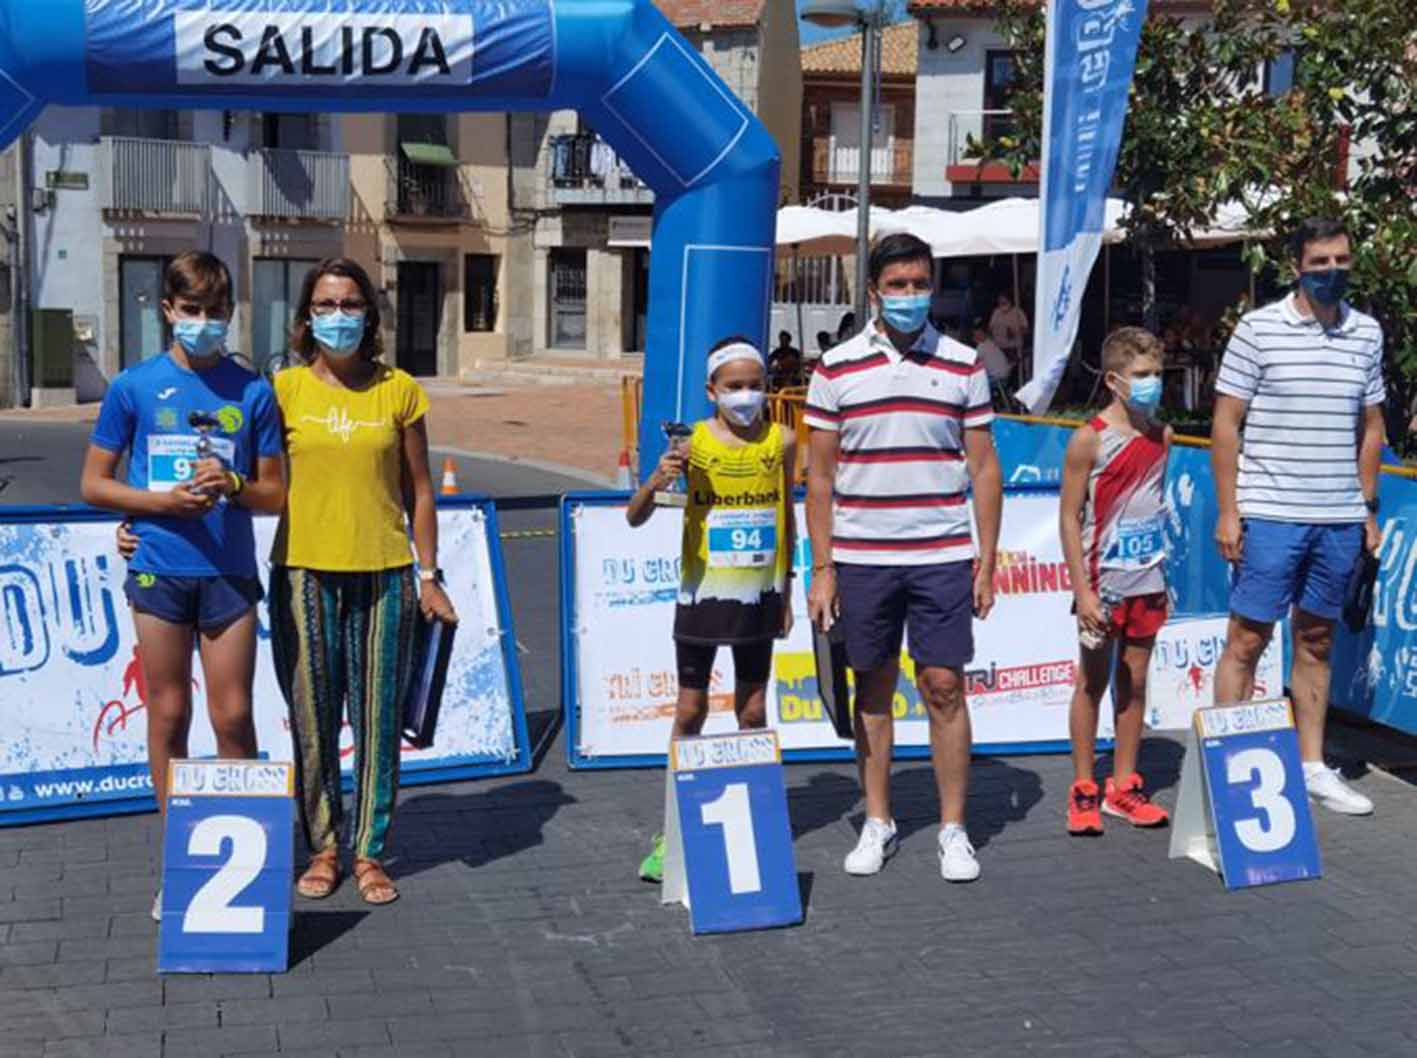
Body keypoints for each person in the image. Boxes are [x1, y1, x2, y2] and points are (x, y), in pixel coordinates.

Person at [80, 251, 286, 921]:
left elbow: (276, 494)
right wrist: (156, 506)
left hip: (227, 575)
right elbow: (94, 483)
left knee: (233, 717)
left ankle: (247, 866)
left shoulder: (253, 391)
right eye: (191, 310)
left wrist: (232, 486)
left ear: (230, 314)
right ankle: (187, 863)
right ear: (166, 309)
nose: (204, 323)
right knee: (169, 715)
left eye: (215, 312)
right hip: (159, 569)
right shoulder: (133, 387)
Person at [804, 233, 1003, 883]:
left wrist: (987, 557)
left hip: (942, 553)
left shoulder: (962, 363)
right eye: (898, 285)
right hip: (861, 559)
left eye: (920, 283)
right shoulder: (834, 367)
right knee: (873, 690)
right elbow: (821, 478)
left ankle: (952, 829)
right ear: (872, 291)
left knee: (944, 686)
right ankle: (878, 821)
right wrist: (823, 567)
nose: (910, 295)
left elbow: (981, 467)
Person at [269, 258, 458, 904]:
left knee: (377, 717)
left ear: (370, 316)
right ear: (305, 317)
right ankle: (323, 845)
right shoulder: (283, 390)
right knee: (313, 719)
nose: (338, 316)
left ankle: (370, 851)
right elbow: (242, 475)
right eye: (325, 304)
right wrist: (147, 521)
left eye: (350, 304)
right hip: (301, 572)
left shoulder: (399, 389)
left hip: (384, 573)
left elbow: (421, 490)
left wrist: (428, 574)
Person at [1211, 217, 1385, 816]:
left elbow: (1372, 428)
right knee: (1248, 639)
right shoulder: (1258, 330)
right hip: (1270, 514)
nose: (1332, 272)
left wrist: (1366, 506)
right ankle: (1228, 767)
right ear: (1296, 267)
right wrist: (1229, 511)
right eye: (1320, 262)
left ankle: (1312, 765)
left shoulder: (1367, 333)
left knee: (1316, 639)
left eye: (1341, 260)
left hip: (1337, 517)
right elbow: (1226, 424)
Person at [628, 337, 796, 883]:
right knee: (690, 710)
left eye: (756, 385)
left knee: (752, 712)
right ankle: (673, 827)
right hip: (701, 598)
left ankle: (757, 819)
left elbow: (787, 518)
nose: (747, 396)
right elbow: (635, 517)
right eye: (734, 386)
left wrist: (788, 592)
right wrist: (657, 479)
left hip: (758, 598)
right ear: (711, 390)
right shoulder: (691, 442)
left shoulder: (784, 440)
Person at [1058, 327, 1172, 836]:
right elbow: (1068, 516)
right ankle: (1084, 785)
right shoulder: (1089, 438)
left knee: (1136, 680)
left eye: (1157, 374)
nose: (1152, 384)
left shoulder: (1162, 436)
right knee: (1092, 681)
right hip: (1102, 585)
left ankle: (1123, 785)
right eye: (1142, 375)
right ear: (1114, 380)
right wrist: (1082, 590)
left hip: (1147, 580)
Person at [989, 292, 1030, 365]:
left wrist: (1015, 332)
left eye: (1004, 302)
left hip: (1013, 347)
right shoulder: (996, 312)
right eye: (1000, 302)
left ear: (1009, 301)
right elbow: (990, 328)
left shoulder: (1018, 312)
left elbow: (1026, 329)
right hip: (998, 348)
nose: (1002, 304)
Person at [973, 320, 1013, 389]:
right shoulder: (991, 342)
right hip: (1006, 376)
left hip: (998, 379)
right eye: (976, 335)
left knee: (975, 385)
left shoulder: (981, 346)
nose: (977, 337)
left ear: (985, 334)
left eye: (979, 335)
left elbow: (974, 363)